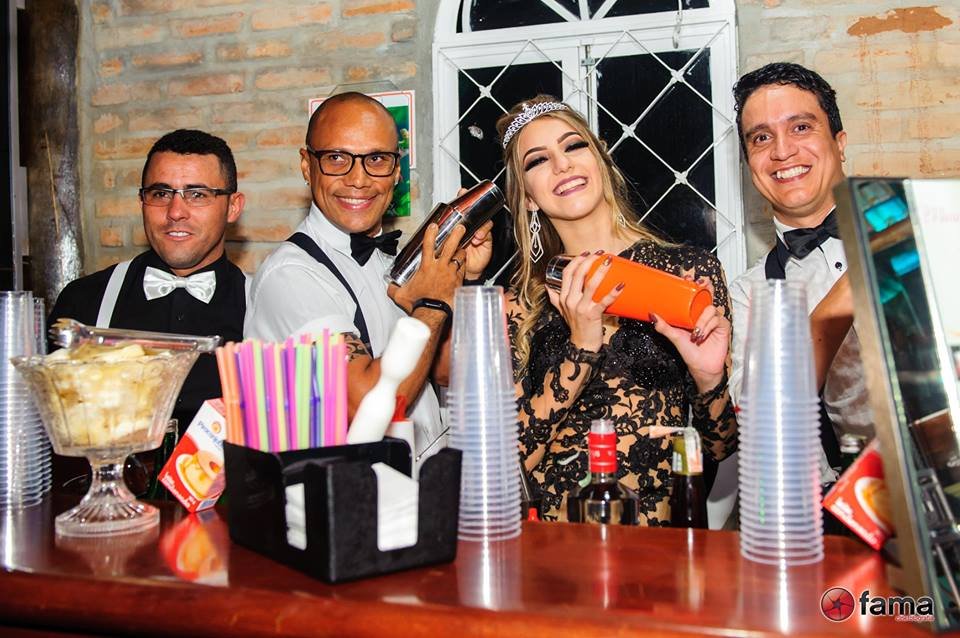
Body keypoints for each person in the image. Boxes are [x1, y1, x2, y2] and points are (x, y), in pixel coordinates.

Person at [494, 95, 738, 523]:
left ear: (601, 158)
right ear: (527, 197)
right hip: (553, 539)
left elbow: (719, 448)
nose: (563, 165)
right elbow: (508, 464)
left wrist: (708, 377)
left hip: (659, 537)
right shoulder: (519, 305)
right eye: (538, 160)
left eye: (574, 146)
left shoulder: (687, 274)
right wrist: (580, 348)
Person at [245, 92, 491, 457]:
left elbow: (445, 372)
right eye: (336, 158)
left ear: (396, 170)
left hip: (424, 484)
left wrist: (465, 281)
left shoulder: (389, 262)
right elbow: (363, 407)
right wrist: (433, 303)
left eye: (376, 159)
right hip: (352, 491)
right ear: (306, 166)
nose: (358, 179)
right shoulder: (290, 276)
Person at [49, 128, 248, 430]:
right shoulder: (84, 300)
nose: (175, 212)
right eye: (160, 194)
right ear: (141, 202)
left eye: (197, 194)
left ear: (233, 207)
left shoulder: (262, 305)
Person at [729, 63, 869, 487]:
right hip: (836, 507)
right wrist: (852, 287)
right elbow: (762, 426)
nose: (782, 151)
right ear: (749, 163)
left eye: (801, 127)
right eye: (761, 137)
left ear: (839, 143)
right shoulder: (748, 294)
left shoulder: (923, 229)